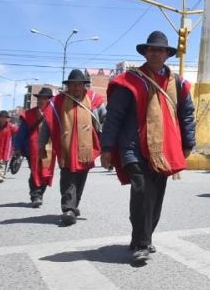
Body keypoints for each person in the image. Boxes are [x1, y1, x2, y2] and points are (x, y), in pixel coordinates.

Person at [101, 31, 195, 264]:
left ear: (167, 54)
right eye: (151, 49)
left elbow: (186, 115)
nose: (156, 53)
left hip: (164, 148)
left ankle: (144, 235)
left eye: (160, 50)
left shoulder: (179, 83)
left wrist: (188, 143)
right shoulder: (129, 81)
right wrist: (107, 147)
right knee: (142, 190)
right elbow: (114, 116)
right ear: (145, 52)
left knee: (155, 196)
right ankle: (142, 243)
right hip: (132, 146)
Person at [42, 71, 107, 225]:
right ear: (68, 86)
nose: (76, 87)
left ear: (84, 85)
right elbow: (47, 124)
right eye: (73, 84)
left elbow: (104, 121)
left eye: (79, 84)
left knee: (80, 179)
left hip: (87, 148)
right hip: (66, 147)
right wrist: (41, 144)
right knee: (68, 178)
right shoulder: (57, 101)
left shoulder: (94, 99)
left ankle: (73, 206)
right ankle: (68, 208)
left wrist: (107, 145)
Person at [15, 87, 58, 207]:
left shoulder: (55, 114)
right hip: (31, 149)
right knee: (35, 171)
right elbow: (21, 132)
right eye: (39, 98)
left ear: (50, 100)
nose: (40, 101)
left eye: (44, 98)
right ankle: (35, 195)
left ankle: (40, 194)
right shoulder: (29, 114)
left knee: (45, 172)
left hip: (49, 149)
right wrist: (17, 148)